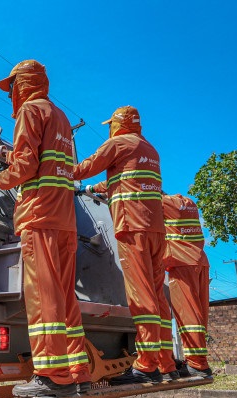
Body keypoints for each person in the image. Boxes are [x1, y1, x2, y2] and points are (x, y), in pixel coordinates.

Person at [0, 59, 92, 398]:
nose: (10, 96)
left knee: (42, 294)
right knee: (63, 296)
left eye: (11, 88)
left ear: (23, 84)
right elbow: (51, 162)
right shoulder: (58, 116)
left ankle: (50, 375)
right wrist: (13, 154)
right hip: (64, 217)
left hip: (39, 214)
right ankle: (78, 369)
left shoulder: (29, 112)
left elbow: (27, 165)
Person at [76, 106, 178, 384]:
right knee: (157, 297)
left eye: (111, 124)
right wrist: (94, 189)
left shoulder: (117, 143)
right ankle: (166, 363)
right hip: (155, 229)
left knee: (141, 296)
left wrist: (60, 172)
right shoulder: (149, 150)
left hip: (132, 227)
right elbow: (128, 180)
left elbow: (86, 167)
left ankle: (145, 365)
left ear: (117, 124)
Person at [162, 193, 213, 378]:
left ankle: (196, 364)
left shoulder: (163, 203)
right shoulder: (188, 203)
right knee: (199, 314)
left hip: (181, 263)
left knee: (187, 315)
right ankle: (200, 362)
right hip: (200, 260)